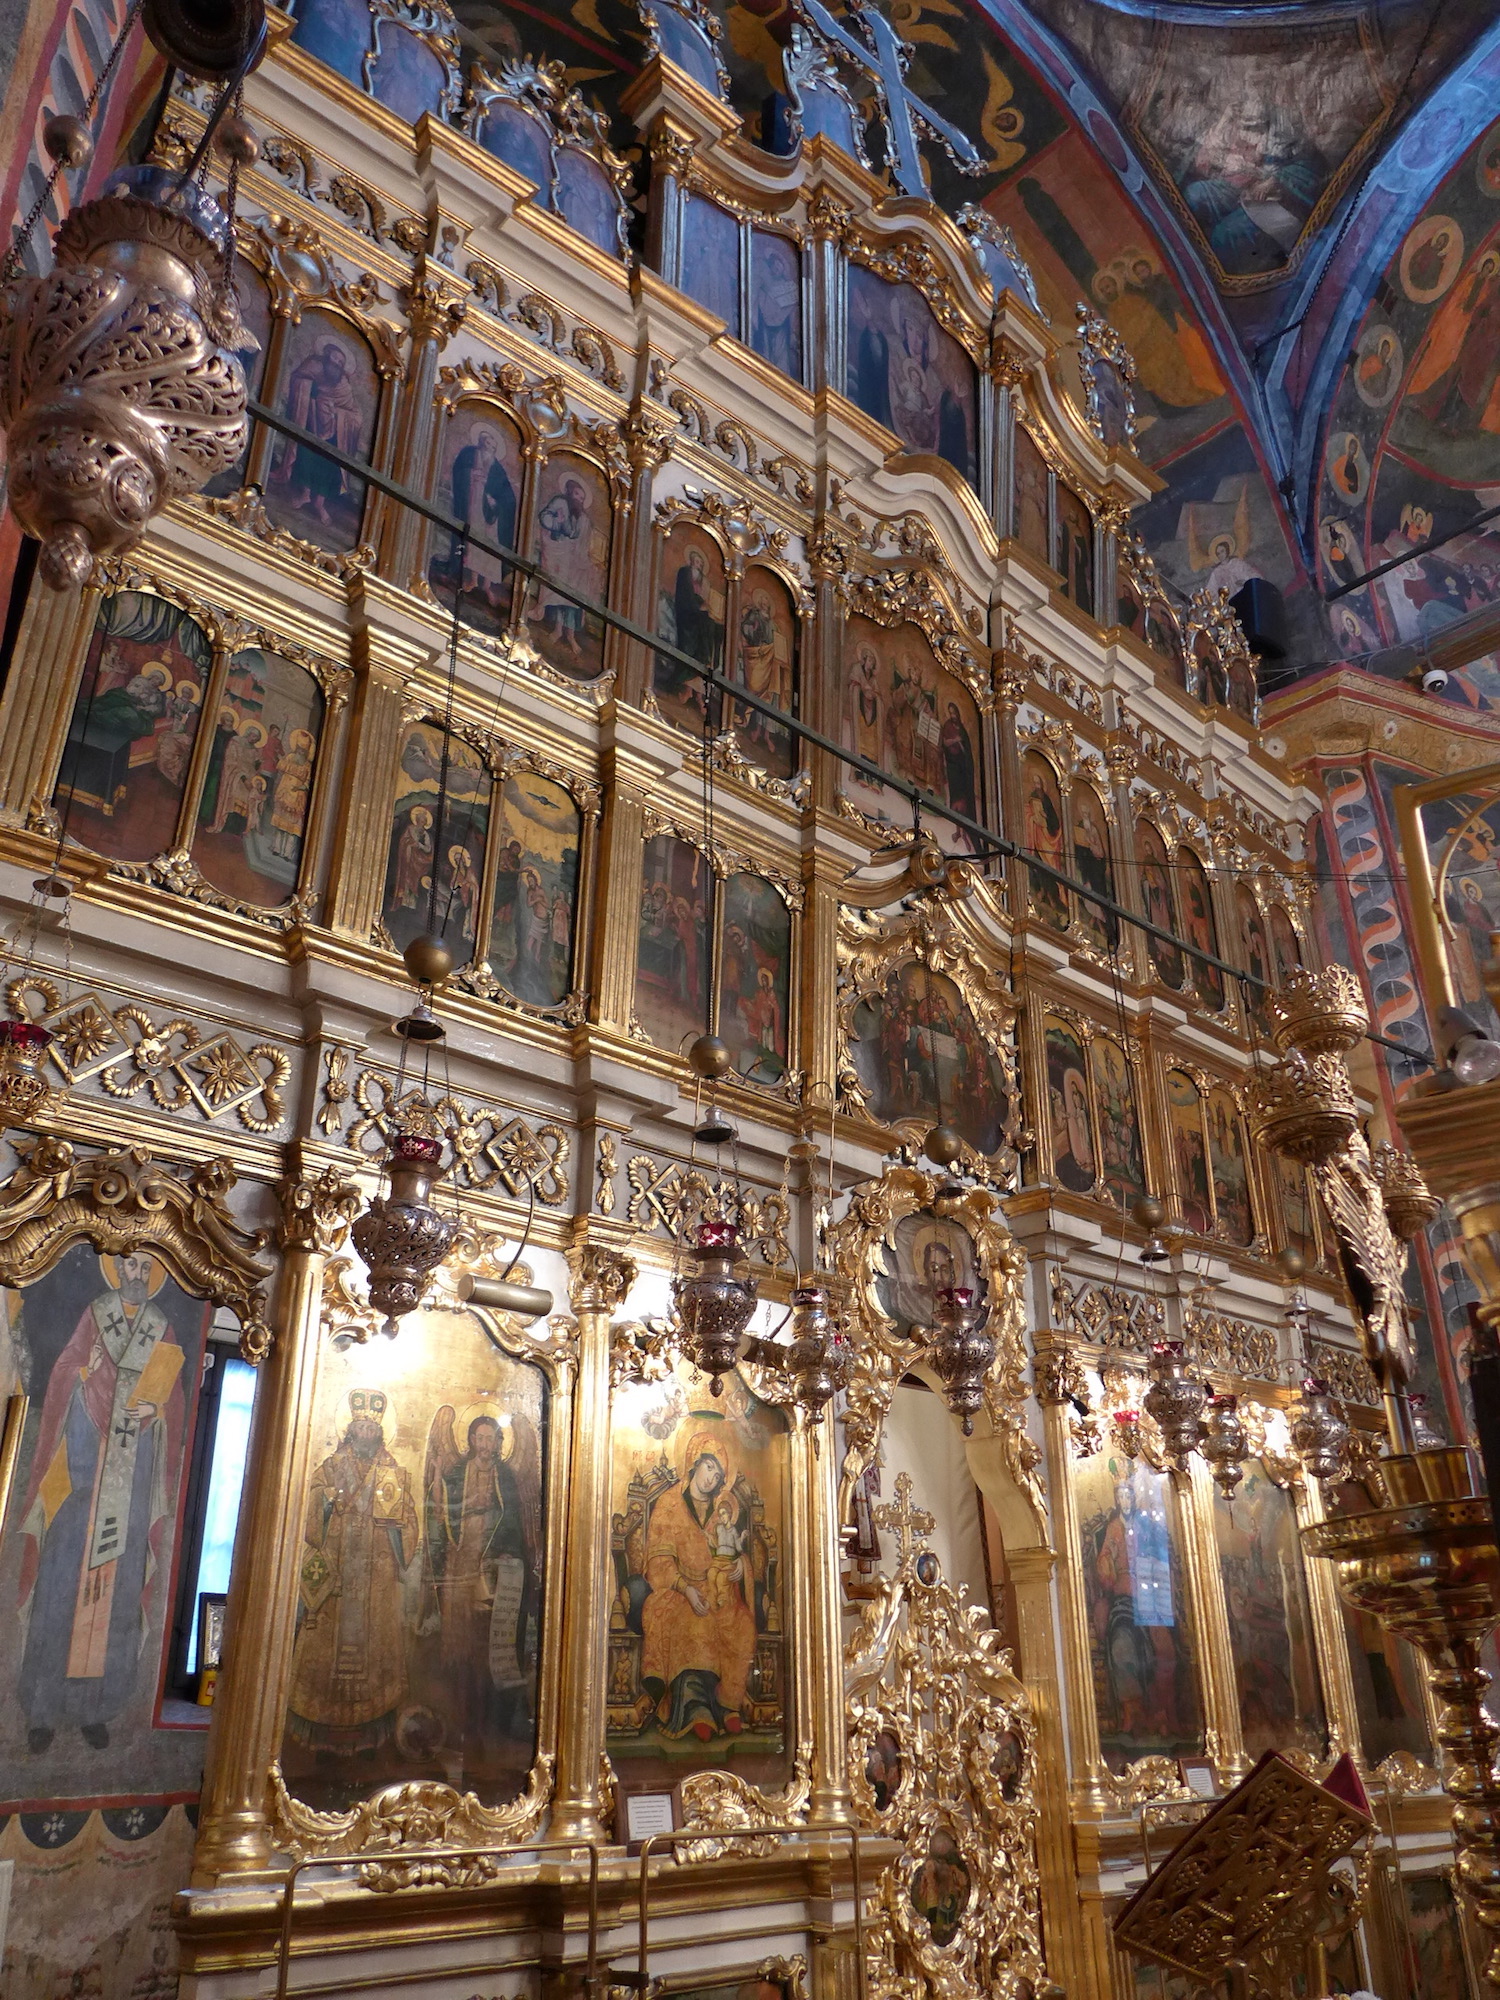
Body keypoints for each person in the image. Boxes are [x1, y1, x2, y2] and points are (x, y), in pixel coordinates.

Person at [16, 1253, 187, 1753]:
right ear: (118, 1271)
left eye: (144, 1270)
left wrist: (156, 1406)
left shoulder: (161, 1326)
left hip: (130, 1487)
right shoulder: (96, 1314)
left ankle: (96, 1707)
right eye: (129, 1267)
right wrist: (82, 1374)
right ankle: (43, 1708)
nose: (135, 1275)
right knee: (62, 1586)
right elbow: (65, 1369)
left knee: (116, 1592)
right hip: (81, 1479)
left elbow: (172, 1397)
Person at [286, 1388, 420, 1755]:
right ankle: (318, 1735)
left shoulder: (393, 1473)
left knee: (376, 1653)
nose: (365, 1433)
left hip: (375, 1581)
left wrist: (395, 1525)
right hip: (338, 1576)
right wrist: (326, 1501)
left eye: (371, 1428)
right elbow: (307, 1510)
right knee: (324, 1647)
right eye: (359, 1426)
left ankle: (373, 1735)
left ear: (379, 1432)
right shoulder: (329, 1468)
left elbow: (408, 1523)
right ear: (350, 1429)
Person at [640, 1433, 757, 1740]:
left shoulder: (723, 1509)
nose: (711, 1478)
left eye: (718, 1475)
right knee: (692, 1620)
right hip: (677, 1590)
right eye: (708, 1467)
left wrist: (739, 1565)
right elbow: (659, 1560)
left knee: (742, 1625)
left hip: (719, 1589)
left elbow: (734, 1550)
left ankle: (727, 1704)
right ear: (694, 1463)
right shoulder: (669, 1503)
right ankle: (695, 1708)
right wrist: (685, 1589)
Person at [278, 338, 365, 530]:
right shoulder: (314, 367)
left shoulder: (344, 386)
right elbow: (298, 379)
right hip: (310, 420)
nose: (336, 365)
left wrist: (337, 414)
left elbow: (355, 414)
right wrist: (312, 394)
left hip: (334, 432)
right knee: (306, 455)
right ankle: (305, 493)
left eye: (340, 363)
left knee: (328, 465)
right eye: (334, 360)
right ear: (326, 358)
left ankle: (319, 502)